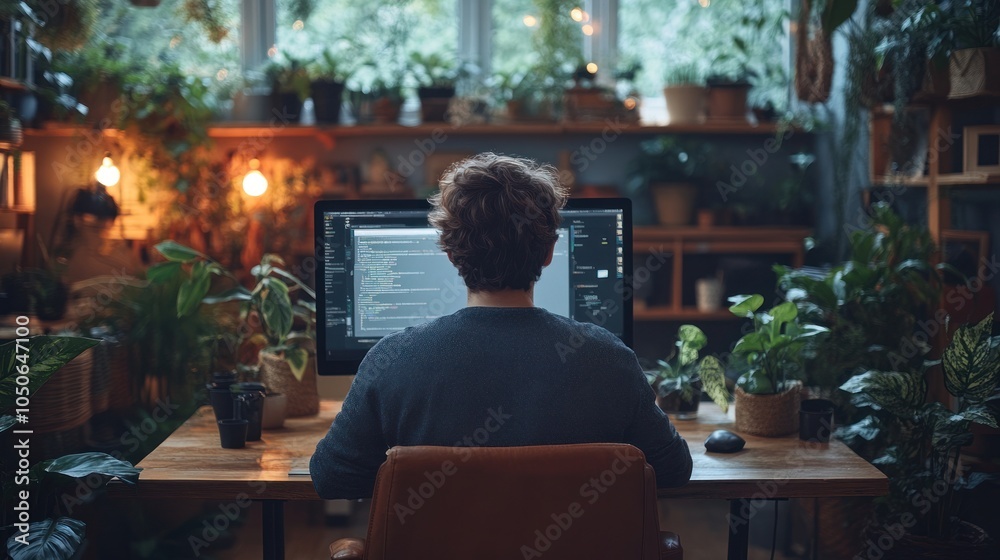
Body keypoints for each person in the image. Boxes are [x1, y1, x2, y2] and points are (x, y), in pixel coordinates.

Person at [310, 153, 692, 499]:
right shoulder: (609, 359)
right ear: (547, 253)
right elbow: (674, 470)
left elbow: (331, 478)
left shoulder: (390, 360)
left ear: (449, 251)